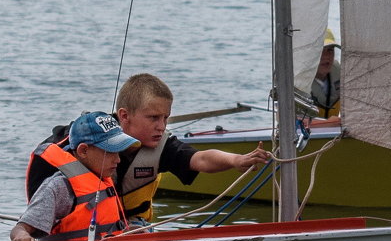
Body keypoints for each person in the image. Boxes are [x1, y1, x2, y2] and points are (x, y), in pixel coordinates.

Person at [26, 73, 271, 227]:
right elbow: (41, 195)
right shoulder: (84, 142)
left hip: (133, 230)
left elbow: (202, 159)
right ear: (124, 116)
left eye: (166, 118)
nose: (161, 126)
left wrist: (237, 160)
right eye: (153, 117)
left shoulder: (160, 146)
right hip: (74, 237)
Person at [10, 111, 138, 241]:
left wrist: (131, 231)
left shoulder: (105, 178)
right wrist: (21, 236)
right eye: (110, 152)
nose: (118, 160)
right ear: (83, 150)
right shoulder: (60, 186)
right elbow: (20, 228)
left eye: (119, 152)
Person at [310, 28, 341, 118]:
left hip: (333, 130)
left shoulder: (341, 73)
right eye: (320, 50)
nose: (326, 56)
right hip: (304, 131)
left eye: (330, 50)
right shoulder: (298, 80)